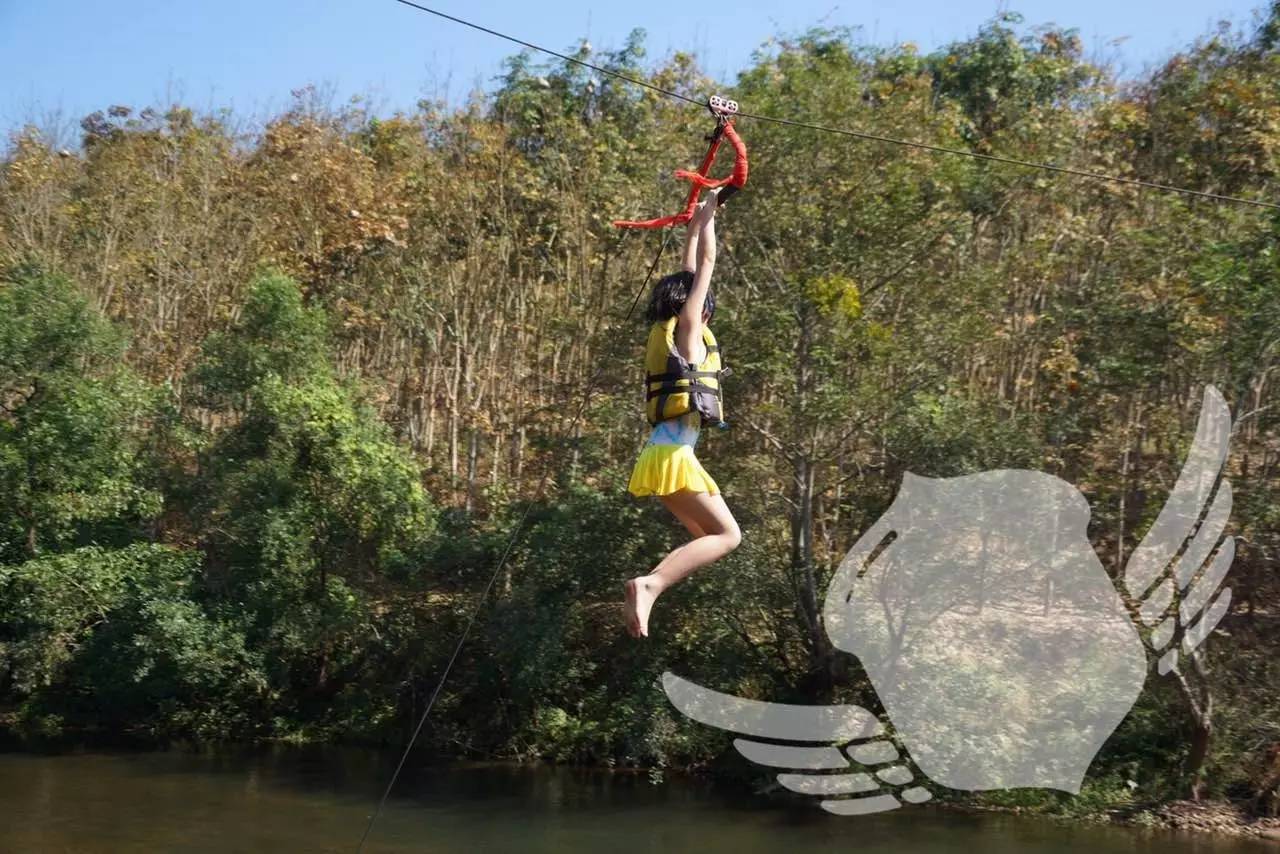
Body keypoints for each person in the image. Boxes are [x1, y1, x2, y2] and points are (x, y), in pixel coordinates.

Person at [623, 188, 742, 639]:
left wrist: (696, 220)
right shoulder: (689, 336)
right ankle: (650, 584)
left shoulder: (668, 332)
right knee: (728, 537)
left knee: (707, 538)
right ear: (694, 307)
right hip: (672, 457)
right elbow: (705, 269)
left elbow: (692, 267)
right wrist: (710, 212)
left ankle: (652, 584)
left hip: (661, 455)